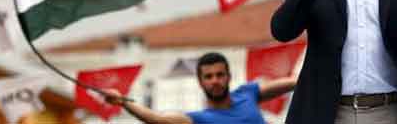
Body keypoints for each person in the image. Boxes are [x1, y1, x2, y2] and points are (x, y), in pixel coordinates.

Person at [103, 52, 297, 124]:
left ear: (228, 76)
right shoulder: (198, 119)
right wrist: (123, 102)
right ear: (200, 81)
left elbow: (294, 82)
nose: (215, 81)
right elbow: (155, 119)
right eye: (208, 76)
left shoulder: (247, 93)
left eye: (220, 75)